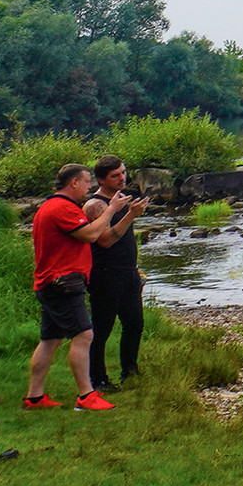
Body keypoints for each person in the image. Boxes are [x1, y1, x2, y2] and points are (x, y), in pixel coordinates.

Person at [25, 163, 131, 411]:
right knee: (84, 335)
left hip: (50, 281)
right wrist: (112, 209)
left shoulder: (50, 206)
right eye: (86, 182)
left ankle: (35, 397)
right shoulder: (62, 208)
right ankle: (86, 395)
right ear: (73, 183)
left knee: (50, 339)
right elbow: (92, 234)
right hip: (63, 282)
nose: (89, 187)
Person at [83, 156, 147, 391]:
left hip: (127, 272)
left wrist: (135, 269)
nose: (122, 178)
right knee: (102, 328)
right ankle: (98, 380)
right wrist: (131, 214)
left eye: (123, 172)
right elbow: (106, 240)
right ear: (101, 179)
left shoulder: (120, 199)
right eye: (115, 175)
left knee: (135, 323)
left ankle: (129, 371)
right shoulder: (95, 205)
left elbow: (125, 240)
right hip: (105, 275)